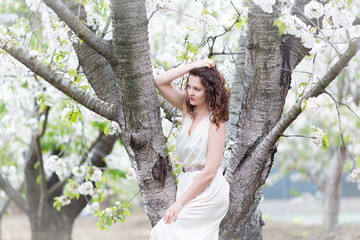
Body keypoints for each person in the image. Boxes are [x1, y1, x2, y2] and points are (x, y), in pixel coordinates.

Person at [150, 58, 230, 240]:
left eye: (197, 89)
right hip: (187, 183)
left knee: (163, 232)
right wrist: (192, 66)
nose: (190, 93)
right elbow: (160, 81)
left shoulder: (216, 123)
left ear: (209, 91)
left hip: (209, 192)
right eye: (189, 87)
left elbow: (209, 173)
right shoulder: (187, 109)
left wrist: (179, 203)